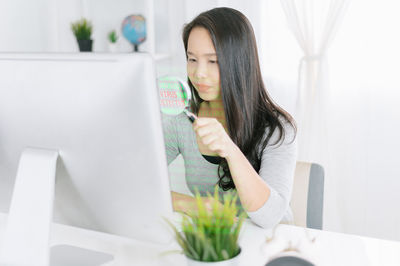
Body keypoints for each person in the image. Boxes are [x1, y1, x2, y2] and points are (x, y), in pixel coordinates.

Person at [162, 7, 297, 229]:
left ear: (239, 62)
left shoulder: (277, 129)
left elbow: (270, 217)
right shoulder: (182, 121)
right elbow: (139, 182)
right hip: (217, 242)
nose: (198, 73)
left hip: (271, 243)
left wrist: (230, 149)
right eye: (192, 59)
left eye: (212, 61)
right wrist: (193, 205)